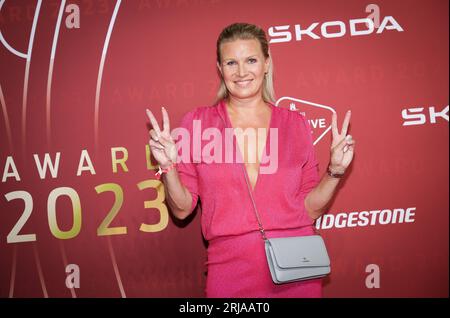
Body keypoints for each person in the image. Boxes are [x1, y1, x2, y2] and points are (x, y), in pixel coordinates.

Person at [145, 23, 355, 297]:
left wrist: (335, 171)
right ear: (220, 69)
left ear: (266, 64)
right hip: (229, 270)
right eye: (231, 62)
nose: (242, 72)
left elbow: (309, 210)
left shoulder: (295, 124)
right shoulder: (197, 123)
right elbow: (183, 210)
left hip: (296, 268)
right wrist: (168, 167)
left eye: (251, 60)